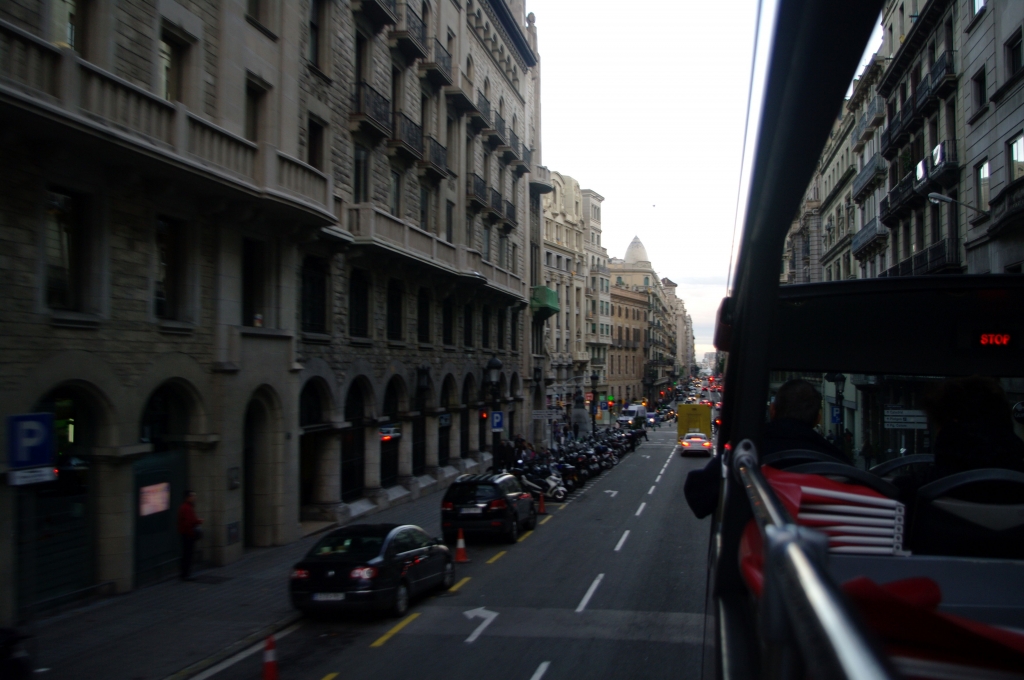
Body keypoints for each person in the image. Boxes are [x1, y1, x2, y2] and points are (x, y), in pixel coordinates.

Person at [684, 379, 846, 519]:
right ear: (818, 418)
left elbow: (698, 499)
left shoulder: (747, 451)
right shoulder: (838, 462)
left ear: (772, 410)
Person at [178, 490, 203, 581]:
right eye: (192, 496)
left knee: (187, 554)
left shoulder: (187, 507)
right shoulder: (186, 508)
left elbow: (191, 520)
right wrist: (192, 533)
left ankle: (185, 573)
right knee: (188, 554)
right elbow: (188, 522)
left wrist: (198, 521)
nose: (194, 498)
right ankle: (186, 574)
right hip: (188, 534)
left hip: (187, 533)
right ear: (188, 497)